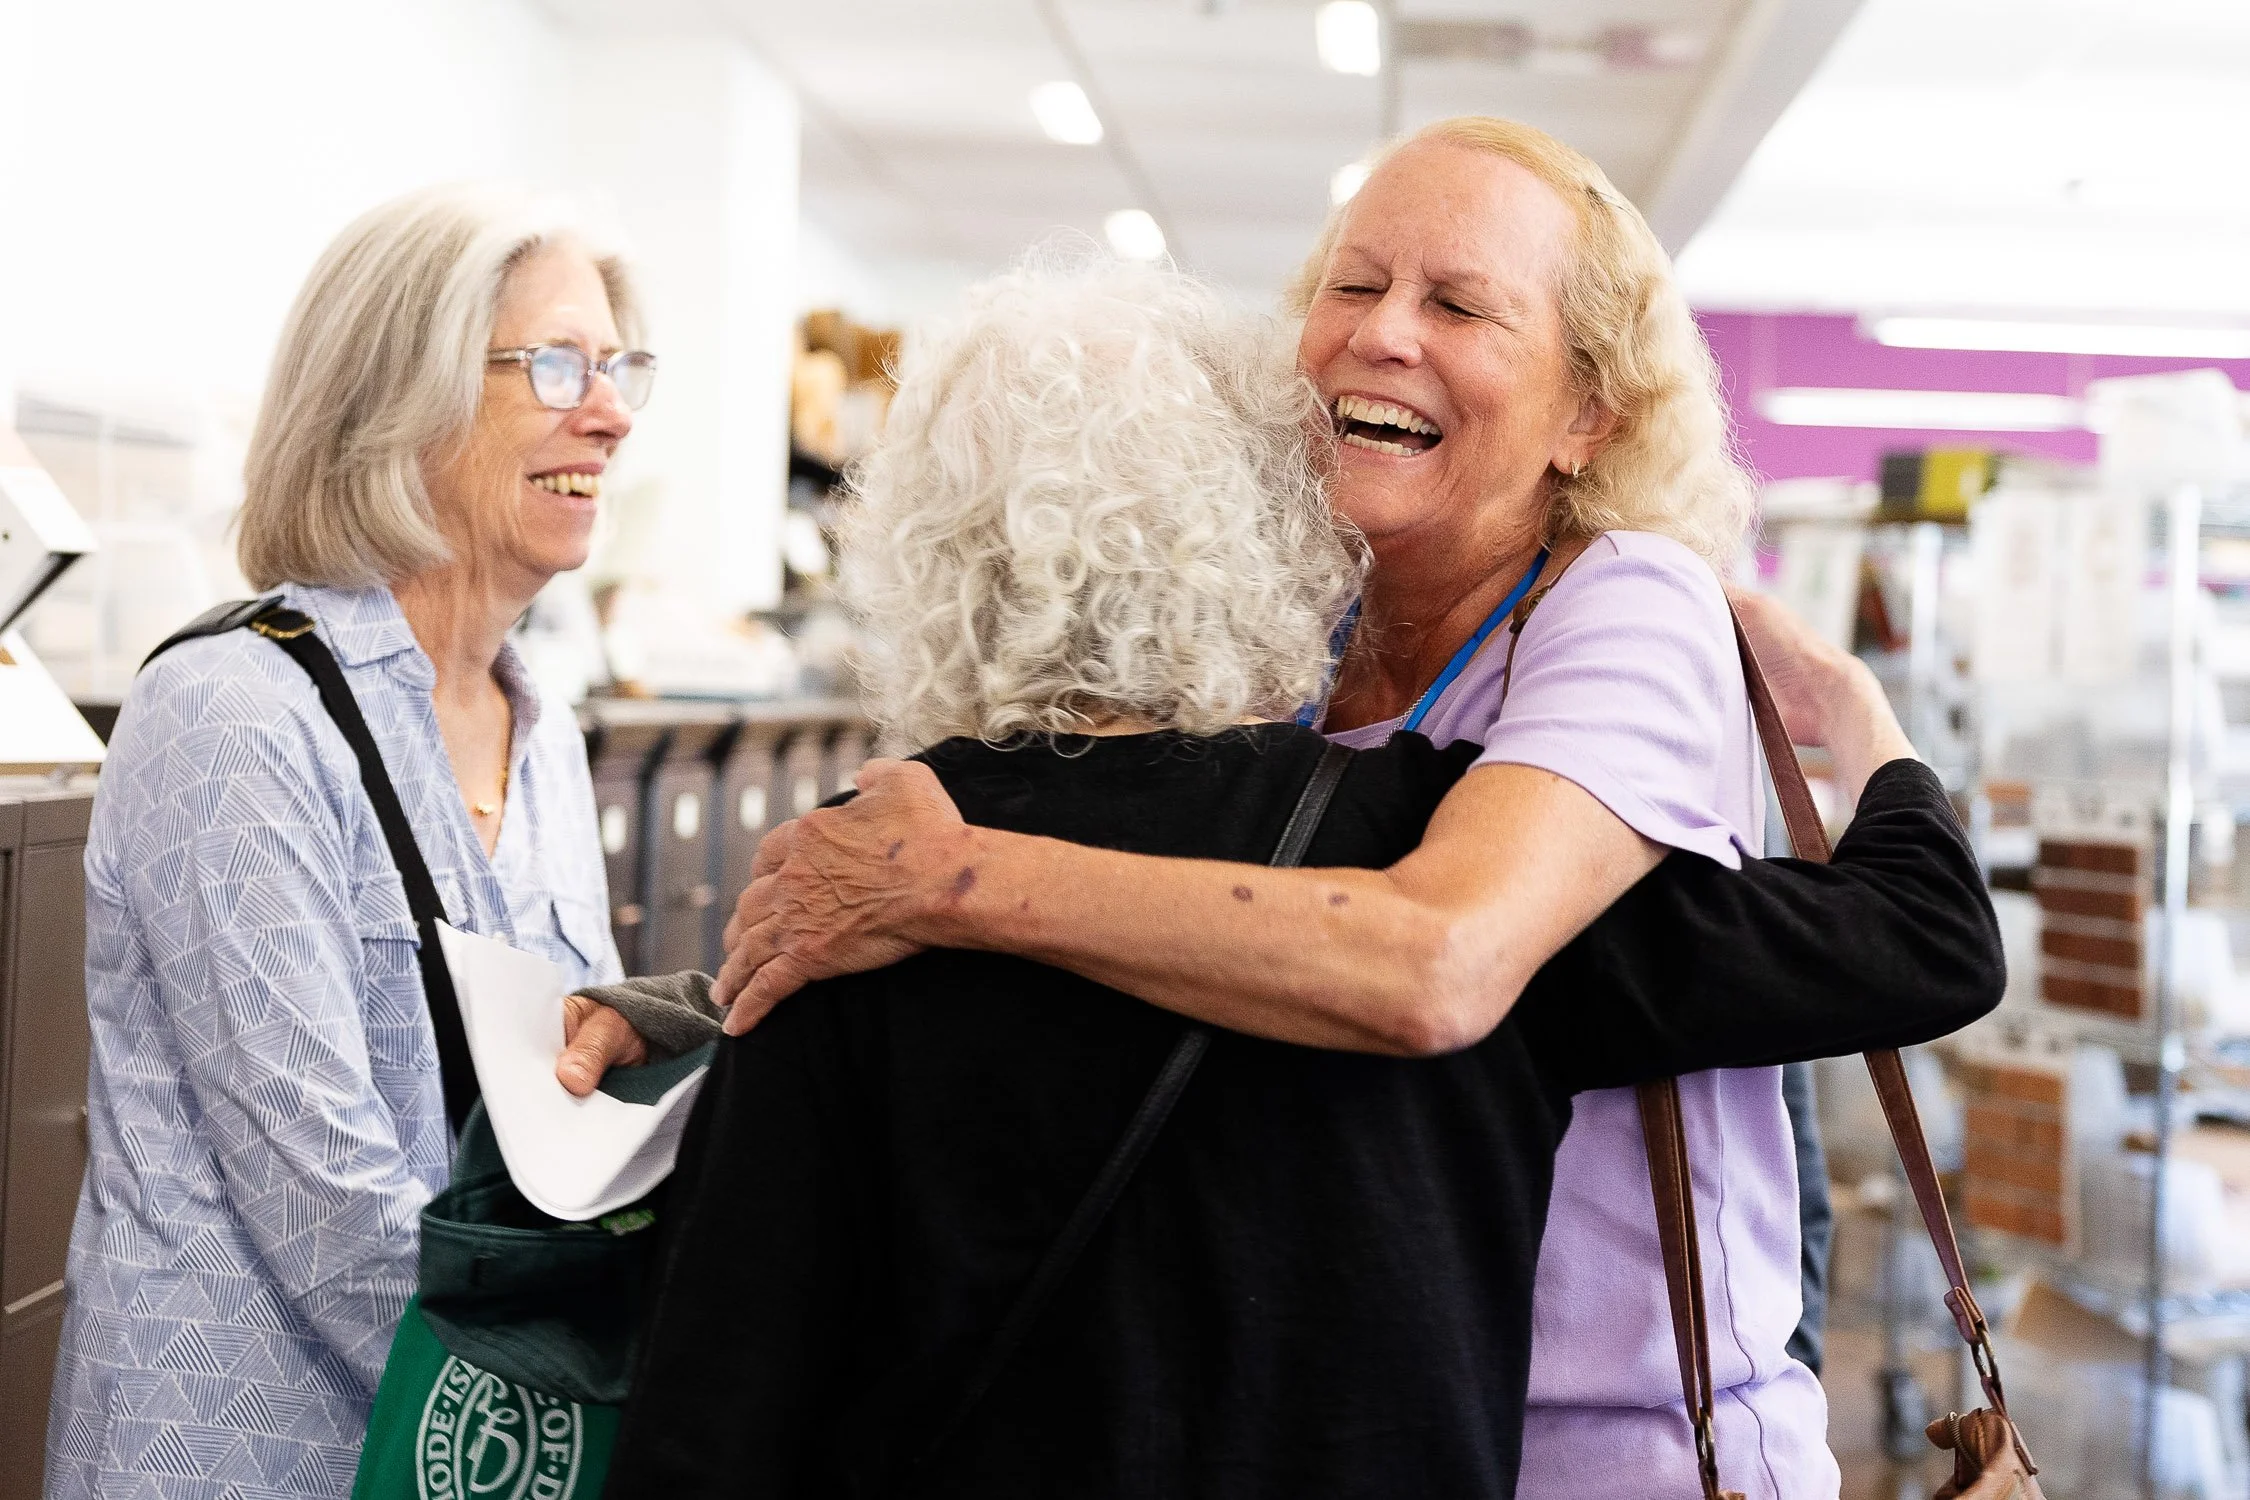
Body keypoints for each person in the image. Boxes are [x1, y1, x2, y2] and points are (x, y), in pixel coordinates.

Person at [606, 257, 1999, 1500]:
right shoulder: (1458, 846)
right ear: (1276, 519)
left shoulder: (854, 880)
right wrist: (1861, 724)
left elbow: (712, 1421)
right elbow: (1909, 945)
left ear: (914, 541)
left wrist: (684, 1011)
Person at [47, 186, 665, 1499]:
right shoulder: (236, 709)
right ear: (402, 396)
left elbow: (546, 1114)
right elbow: (325, 1197)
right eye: (556, 364)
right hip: (249, 1451)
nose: (606, 412)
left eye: (617, 370)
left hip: (466, 1441)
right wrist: (622, 1383)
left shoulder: (543, 732)